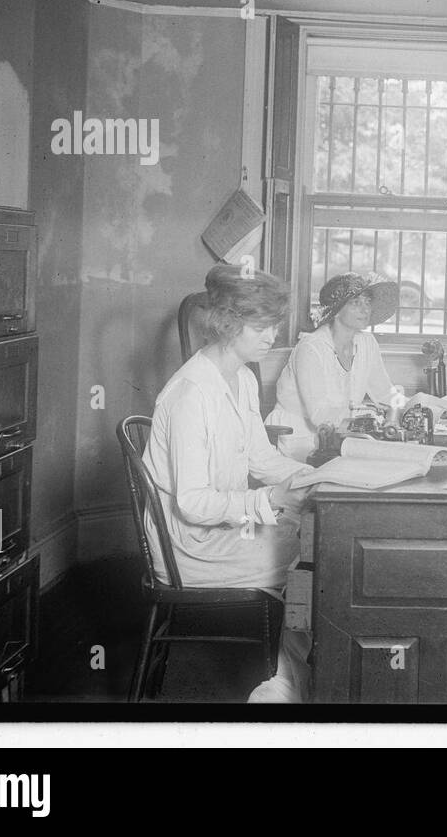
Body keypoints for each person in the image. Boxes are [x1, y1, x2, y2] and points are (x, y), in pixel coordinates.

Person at [143, 263, 316, 703]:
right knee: (311, 553)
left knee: (313, 536)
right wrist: (270, 499)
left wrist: (316, 477)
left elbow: (261, 457)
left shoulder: (239, 377)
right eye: (260, 325)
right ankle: (288, 683)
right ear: (228, 322)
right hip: (190, 547)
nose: (271, 335)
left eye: (274, 324)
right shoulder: (190, 394)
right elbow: (193, 503)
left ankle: (292, 673)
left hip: (220, 530)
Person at [266, 272, 401, 462]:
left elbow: (385, 392)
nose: (365, 309)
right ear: (336, 310)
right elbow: (319, 414)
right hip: (298, 439)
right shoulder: (311, 348)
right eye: (355, 302)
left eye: (367, 302)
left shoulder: (367, 343)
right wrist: (370, 417)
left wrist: (410, 407)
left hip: (342, 435)